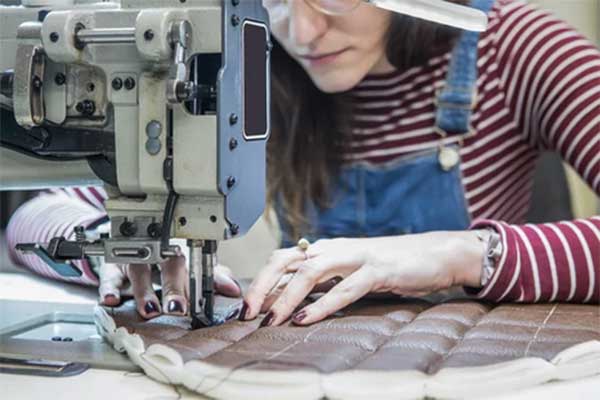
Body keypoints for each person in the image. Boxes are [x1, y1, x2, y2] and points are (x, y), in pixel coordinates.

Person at [6, 0, 599, 326]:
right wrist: (108, 245)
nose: (304, 30)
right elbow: (34, 215)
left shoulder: (513, 47)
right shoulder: (252, 69)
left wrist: (456, 253)